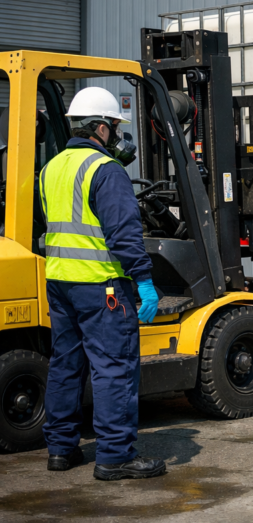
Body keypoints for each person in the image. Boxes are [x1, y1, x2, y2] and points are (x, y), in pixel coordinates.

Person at [39, 87, 166, 480]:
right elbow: (123, 236)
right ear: (100, 127)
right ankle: (114, 456)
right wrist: (144, 280)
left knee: (65, 364)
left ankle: (60, 449)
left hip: (60, 282)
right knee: (113, 368)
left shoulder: (52, 168)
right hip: (102, 286)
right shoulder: (105, 171)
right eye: (113, 126)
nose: (114, 133)